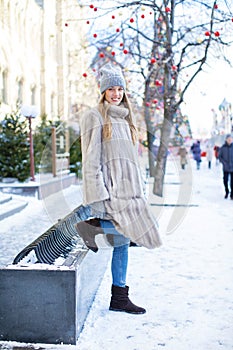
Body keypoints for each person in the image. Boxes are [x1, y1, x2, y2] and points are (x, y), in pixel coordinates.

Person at [76, 62, 162, 314]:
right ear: (103, 91)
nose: (116, 93)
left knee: (123, 243)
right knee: (124, 236)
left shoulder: (125, 119)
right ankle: (90, 227)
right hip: (111, 193)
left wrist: (139, 188)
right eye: (111, 89)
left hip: (129, 193)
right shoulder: (95, 116)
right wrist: (98, 196)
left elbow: (131, 161)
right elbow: (91, 160)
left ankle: (119, 297)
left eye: (120, 89)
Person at [218, 134, 233, 199]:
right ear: (226, 140)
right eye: (228, 139)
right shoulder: (223, 148)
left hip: (232, 167)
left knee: (232, 182)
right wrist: (224, 163)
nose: (230, 140)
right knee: (225, 181)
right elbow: (219, 157)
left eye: (231, 139)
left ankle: (232, 194)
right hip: (226, 167)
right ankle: (227, 191)